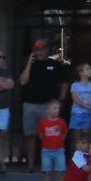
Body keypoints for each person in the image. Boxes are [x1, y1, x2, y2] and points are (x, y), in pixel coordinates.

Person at [19, 39, 69, 173]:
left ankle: (48, 164)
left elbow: (64, 82)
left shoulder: (55, 65)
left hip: (48, 106)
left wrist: (61, 99)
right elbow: (23, 81)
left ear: (47, 50)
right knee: (30, 135)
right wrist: (29, 62)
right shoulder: (28, 64)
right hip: (30, 104)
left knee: (50, 135)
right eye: (37, 49)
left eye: (42, 49)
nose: (40, 52)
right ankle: (30, 164)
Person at [38, 100, 68, 181]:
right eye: (54, 108)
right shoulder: (43, 122)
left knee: (60, 172)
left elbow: (64, 134)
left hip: (59, 150)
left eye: (58, 108)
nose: (57, 110)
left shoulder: (61, 122)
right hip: (46, 151)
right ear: (48, 110)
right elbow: (41, 135)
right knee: (47, 172)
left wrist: (59, 143)